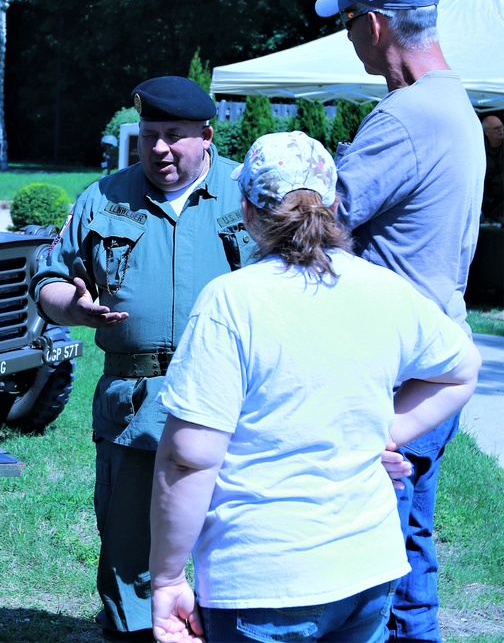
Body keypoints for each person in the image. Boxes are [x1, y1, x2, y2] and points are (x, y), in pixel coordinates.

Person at [149, 131, 482, 643]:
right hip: (367, 570)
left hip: (262, 579)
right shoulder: (385, 290)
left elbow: (190, 455)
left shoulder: (233, 301)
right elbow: (460, 370)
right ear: (331, 205)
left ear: (247, 209)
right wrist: (385, 433)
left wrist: (168, 577)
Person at [32, 75, 256, 641]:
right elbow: (49, 281)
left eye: (174, 136)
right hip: (135, 407)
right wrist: (75, 309)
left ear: (207, 136)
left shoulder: (248, 193)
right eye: (149, 135)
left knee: (230, 548)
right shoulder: (104, 197)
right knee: (130, 553)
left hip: (232, 405)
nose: (158, 149)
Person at [315, 0, 485, 639]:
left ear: (376, 23)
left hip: (395, 375)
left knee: (380, 561)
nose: (347, 35)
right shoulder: (453, 104)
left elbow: (317, 226)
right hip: (433, 361)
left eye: (349, 21)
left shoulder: (405, 119)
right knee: (409, 545)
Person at [482, 115, 504, 223]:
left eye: (501, 127)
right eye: (496, 129)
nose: (501, 131)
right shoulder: (480, 152)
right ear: (486, 132)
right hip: (490, 205)